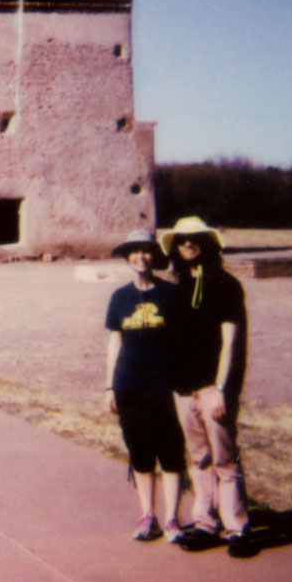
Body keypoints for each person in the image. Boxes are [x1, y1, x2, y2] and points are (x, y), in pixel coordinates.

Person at [159, 215, 251, 553]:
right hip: (184, 386)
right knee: (198, 458)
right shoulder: (176, 287)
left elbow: (230, 342)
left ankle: (237, 529)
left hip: (213, 386)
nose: (187, 244)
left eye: (194, 239)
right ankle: (205, 523)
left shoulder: (225, 285)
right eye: (182, 241)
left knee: (225, 459)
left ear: (207, 243)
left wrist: (222, 388)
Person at [104, 229, 186, 543]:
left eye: (146, 251)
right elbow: (114, 341)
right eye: (134, 252)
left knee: (171, 452)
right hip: (129, 385)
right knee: (140, 452)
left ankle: (172, 519)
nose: (140, 257)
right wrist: (109, 386)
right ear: (127, 258)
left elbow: (182, 342)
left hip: (164, 385)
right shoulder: (120, 297)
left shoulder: (170, 294)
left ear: (155, 255)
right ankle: (147, 515)